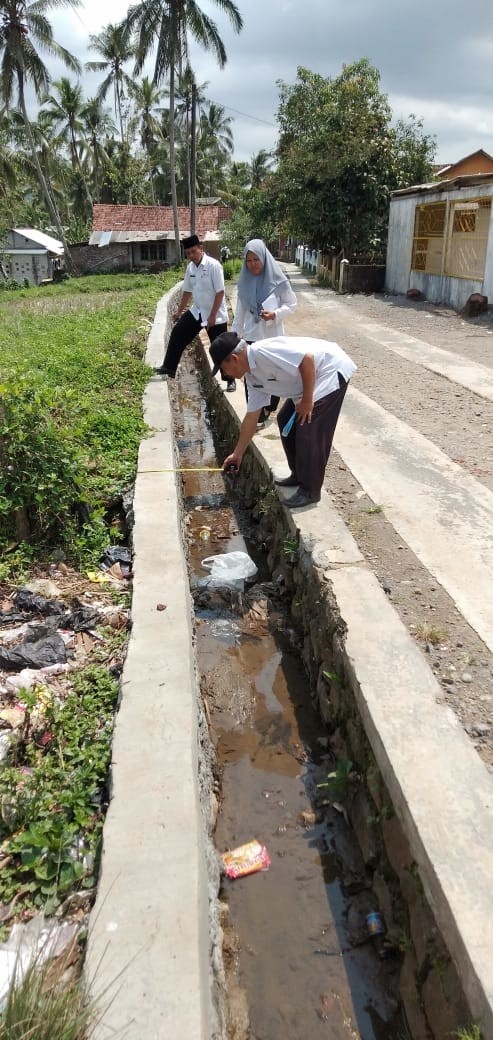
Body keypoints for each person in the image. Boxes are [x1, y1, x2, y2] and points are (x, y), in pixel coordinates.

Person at [209, 331, 356, 508]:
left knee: (308, 424)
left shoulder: (264, 352)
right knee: (286, 418)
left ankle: (310, 490)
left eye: (223, 369)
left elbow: (306, 359)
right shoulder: (252, 377)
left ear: (234, 358)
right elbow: (251, 417)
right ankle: (298, 474)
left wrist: (308, 400)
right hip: (308, 382)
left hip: (329, 369)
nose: (226, 374)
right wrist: (237, 454)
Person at [154, 234, 234, 390]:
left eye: (193, 251)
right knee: (178, 331)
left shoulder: (214, 265)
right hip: (198, 311)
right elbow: (187, 291)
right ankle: (169, 368)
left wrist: (212, 316)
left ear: (201, 248)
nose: (191, 255)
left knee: (221, 348)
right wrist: (179, 311)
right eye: (188, 253)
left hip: (215, 315)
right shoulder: (190, 268)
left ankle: (230, 379)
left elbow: (220, 292)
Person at [232, 239, 297, 424]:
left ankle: (269, 407)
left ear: (264, 258)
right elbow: (240, 313)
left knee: (274, 374)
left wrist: (275, 314)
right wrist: (234, 336)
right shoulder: (244, 283)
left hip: (273, 337)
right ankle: (256, 411)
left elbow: (291, 304)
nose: (253, 264)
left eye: (256, 259)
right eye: (249, 260)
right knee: (251, 374)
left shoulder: (278, 280)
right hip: (252, 337)